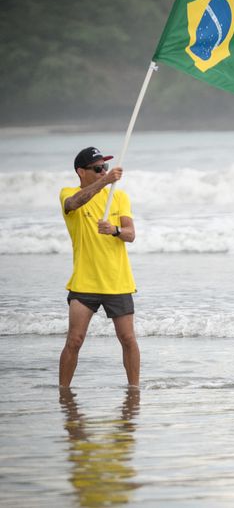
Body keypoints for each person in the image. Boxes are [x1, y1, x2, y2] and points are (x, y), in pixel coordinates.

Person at [59, 146, 139, 388]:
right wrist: (104, 181)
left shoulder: (119, 197)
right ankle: (63, 392)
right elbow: (74, 203)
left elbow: (131, 234)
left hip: (117, 280)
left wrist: (115, 230)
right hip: (85, 281)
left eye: (104, 166)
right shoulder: (68, 193)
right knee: (74, 340)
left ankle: (134, 390)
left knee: (127, 339)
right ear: (81, 171)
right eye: (97, 168)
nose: (103, 170)